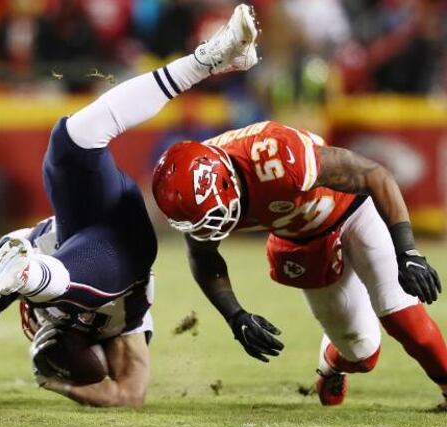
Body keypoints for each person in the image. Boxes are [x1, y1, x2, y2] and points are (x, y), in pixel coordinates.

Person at [0, 4, 259, 407]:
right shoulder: (122, 329)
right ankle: (205, 60)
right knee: (71, 147)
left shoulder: (39, 283)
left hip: (57, 235)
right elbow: (130, 392)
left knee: (71, 139)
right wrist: (61, 382)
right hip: (116, 243)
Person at [152, 118, 446, 409]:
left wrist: (408, 251)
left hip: (352, 209)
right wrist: (235, 316)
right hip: (302, 242)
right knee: (362, 354)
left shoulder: (277, 156)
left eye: (214, 217)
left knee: (405, 319)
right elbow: (202, 255)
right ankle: (332, 365)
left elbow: (375, 175)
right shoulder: (198, 191)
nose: (213, 229)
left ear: (228, 181)